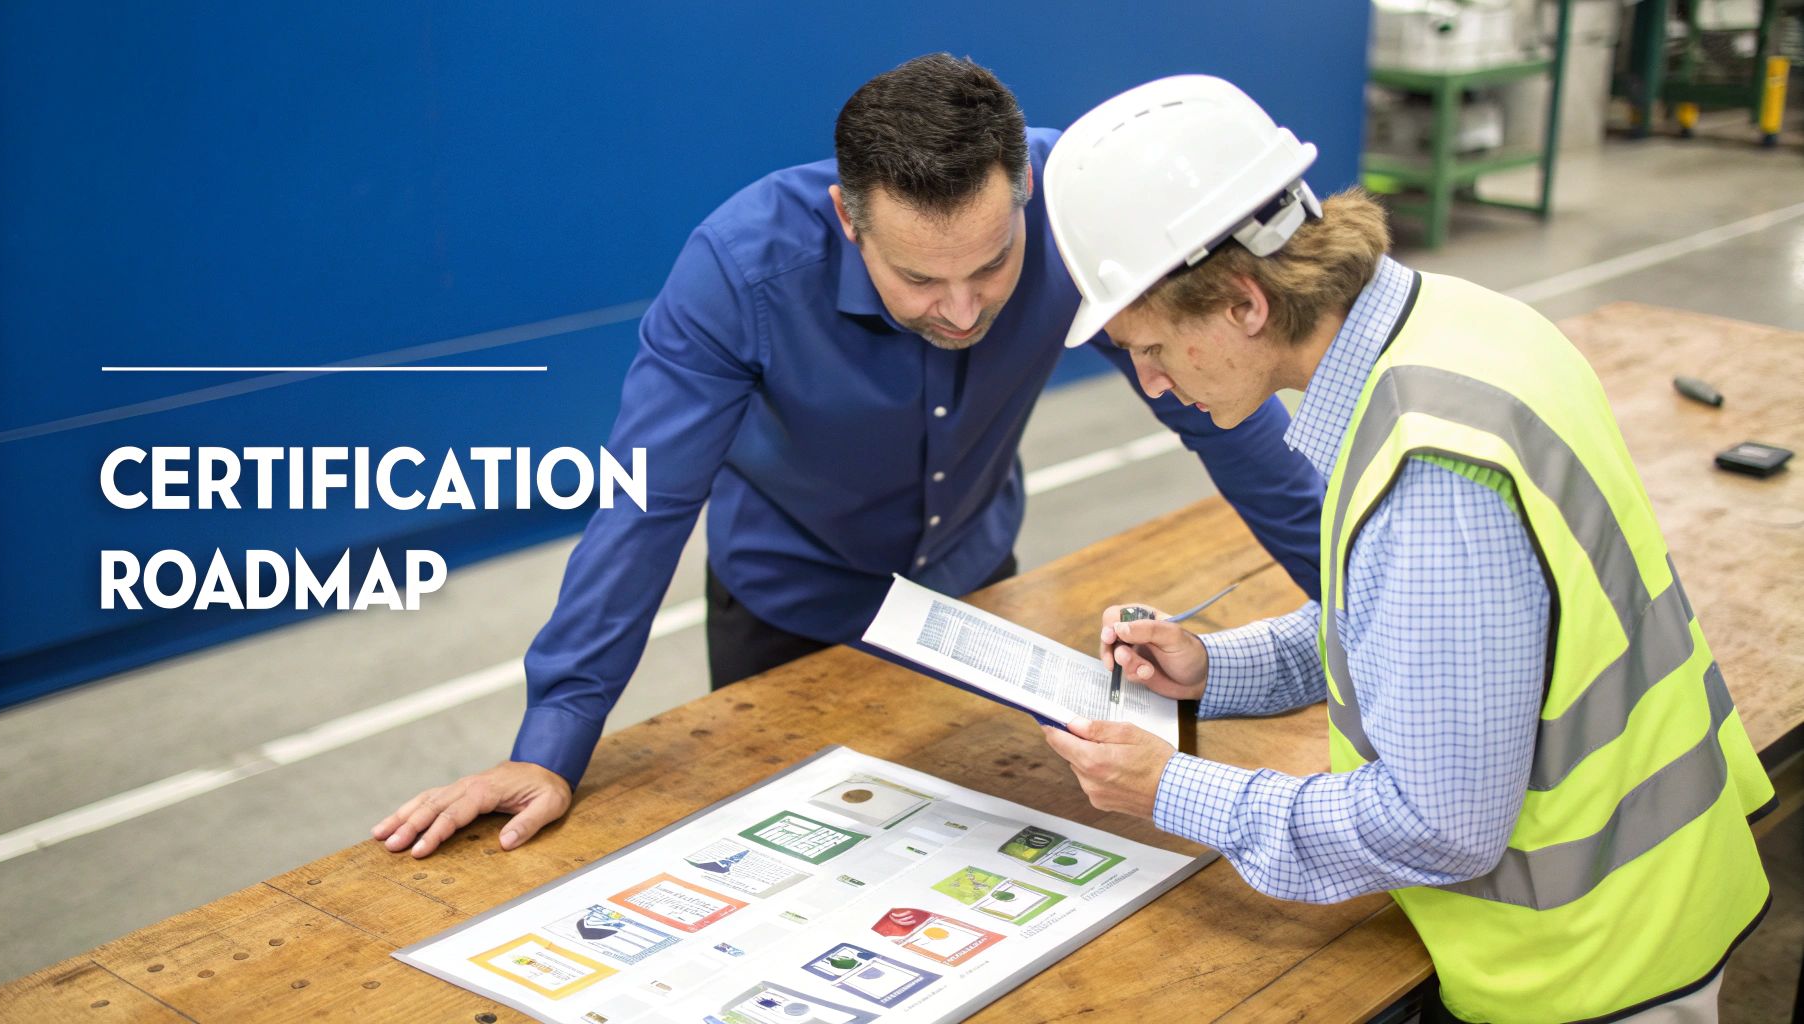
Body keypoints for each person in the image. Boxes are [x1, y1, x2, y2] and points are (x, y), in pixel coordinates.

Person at [372, 56, 1324, 861]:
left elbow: (1225, 421)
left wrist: (1360, 605)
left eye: (991, 266)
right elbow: (644, 507)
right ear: (847, 215)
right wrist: (552, 744)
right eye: (918, 278)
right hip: (791, 606)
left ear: (1026, 192)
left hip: (975, 592)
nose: (960, 309)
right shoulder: (740, 270)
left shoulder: (1081, 217)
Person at [1038, 75, 1772, 1023]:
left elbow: (1438, 827)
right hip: (1664, 874)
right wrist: (1214, 669)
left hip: (1588, 956)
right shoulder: (1455, 327)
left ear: (1243, 304)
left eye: (1152, 347)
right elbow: (1418, 628)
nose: (1152, 382)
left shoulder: (1433, 472)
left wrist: (1172, 788)